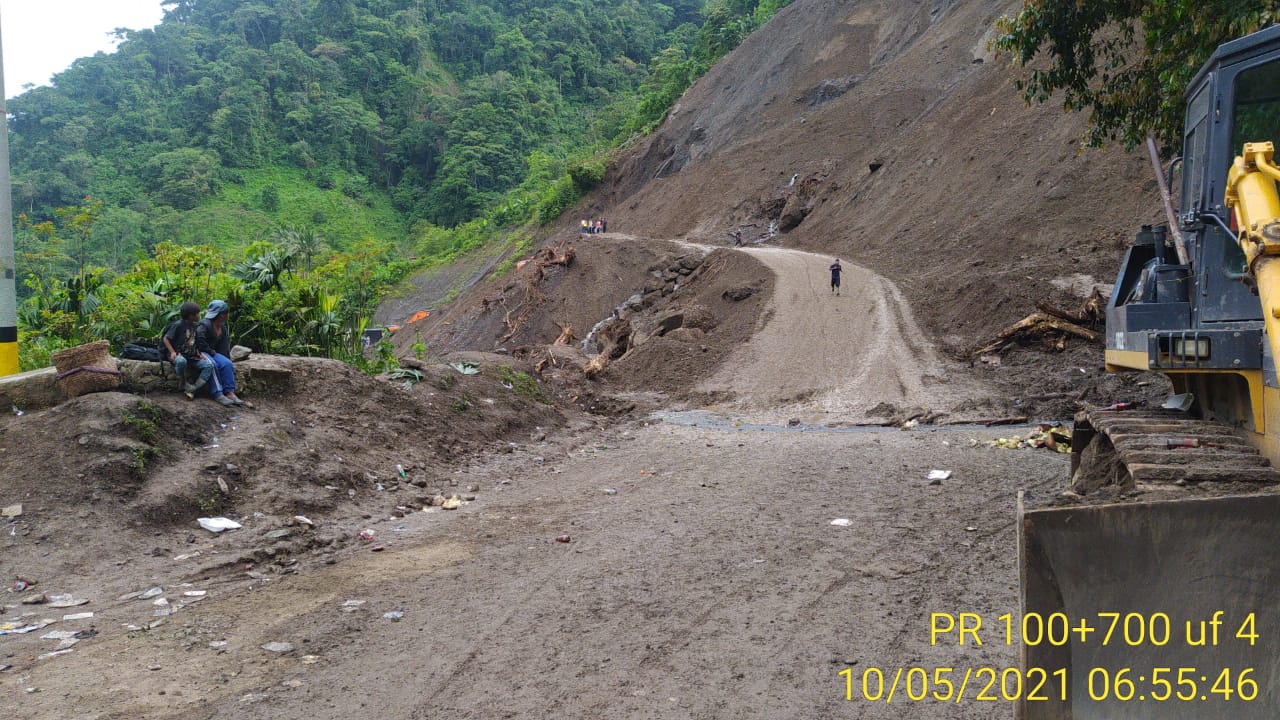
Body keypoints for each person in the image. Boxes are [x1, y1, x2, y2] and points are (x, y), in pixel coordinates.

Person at [196, 299, 244, 406]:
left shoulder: (222, 327)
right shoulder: (204, 325)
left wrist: (226, 358)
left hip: (212, 352)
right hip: (200, 351)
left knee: (227, 363)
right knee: (212, 364)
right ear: (222, 315)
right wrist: (211, 352)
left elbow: (224, 347)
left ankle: (230, 392)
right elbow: (200, 342)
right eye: (227, 313)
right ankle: (218, 394)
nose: (228, 315)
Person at [162, 301, 214, 399]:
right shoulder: (178, 325)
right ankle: (183, 382)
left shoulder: (195, 326)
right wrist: (172, 352)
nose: (199, 315)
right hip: (179, 355)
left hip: (192, 356)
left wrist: (198, 353)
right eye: (198, 313)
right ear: (191, 316)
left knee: (208, 366)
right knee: (181, 361)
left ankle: (193, 388)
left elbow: (193, 342)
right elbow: (166, 338)